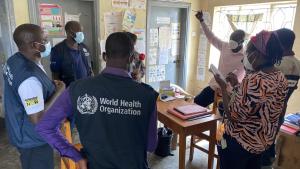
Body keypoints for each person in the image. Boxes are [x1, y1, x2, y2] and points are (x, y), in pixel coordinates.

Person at [36, 32, 159, 169]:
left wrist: (75, 155)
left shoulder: (77, 89)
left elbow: (44, 127)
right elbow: (151, 145)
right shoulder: (146, 94)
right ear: (131, 59)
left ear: (104, 56)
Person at [214, 30, 288, 169]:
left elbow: (232, 116)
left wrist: (223, 87)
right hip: (259, 143)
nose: (245, 57)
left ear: (259, 54)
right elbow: (251, 102)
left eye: (248, 52)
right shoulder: (280, 77)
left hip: (238, 143)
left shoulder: (253, 80)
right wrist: (236, 85)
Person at [2, 24, 65, 169]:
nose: (48, 42)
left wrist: (48, 86)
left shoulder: (14, 60)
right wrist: (59, 92)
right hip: (33, 140)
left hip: (19, 128)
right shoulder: (29, 79)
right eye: (45, 39)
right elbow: (37, 119)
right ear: (34, 45)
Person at [261, 28, 300, 168]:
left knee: (260, 149)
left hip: (266, 113)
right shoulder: (297, 64)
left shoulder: (278, 65)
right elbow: (290, 86)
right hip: (280, 111)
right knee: (269, 143)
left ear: (278, 43)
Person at [194, 11, 246, 107]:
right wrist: (202, 20)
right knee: (197, 102)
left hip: (231, 92)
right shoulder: (225, 46)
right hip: (215, 86)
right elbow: (211, 37)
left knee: (226, 115)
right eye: (230, 42)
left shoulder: (246, 56)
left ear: (242, 42)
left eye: (234, 43)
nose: (231, 46)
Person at [50, 21, 93, 87]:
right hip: (69, 90)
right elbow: (55, 74)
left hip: (86, 88)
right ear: (69, 32)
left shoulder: (84, 47)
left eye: (82, 31)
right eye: (79, 32)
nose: (81, 34)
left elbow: (90, 69)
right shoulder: (58, 50)